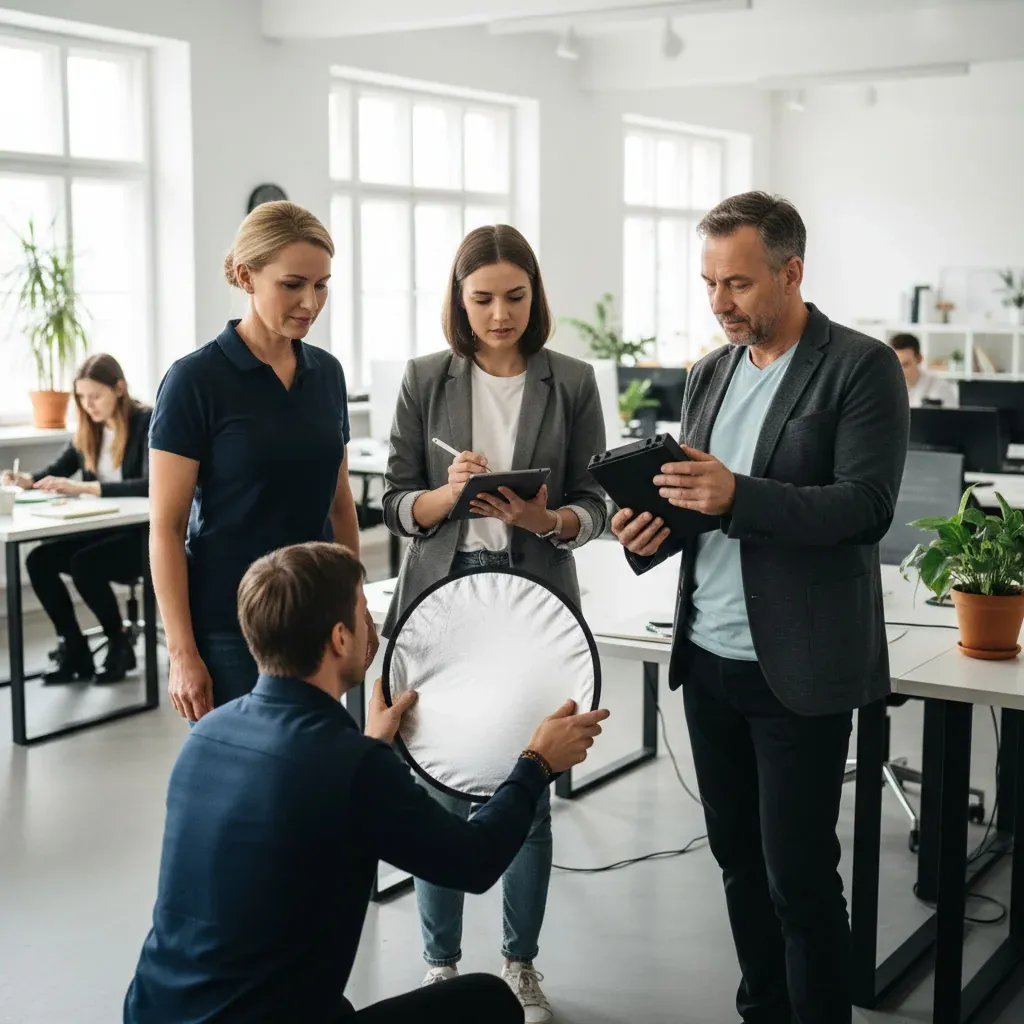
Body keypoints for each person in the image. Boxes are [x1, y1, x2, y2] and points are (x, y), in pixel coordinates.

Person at [611, 192, 909, 1024]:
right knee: (738, 862)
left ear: (792, 272)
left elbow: (866, 508)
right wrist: (651, 530)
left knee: (801, 880)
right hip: (707, 656)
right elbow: (696, 505)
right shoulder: (709, 371)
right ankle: (763, 1011)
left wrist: (738, 493)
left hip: (798, 667)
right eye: (709, 283)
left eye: (737, 284)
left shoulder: (859, 366)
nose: (719, 303)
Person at [123, 541, 610, 1024]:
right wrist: (535, 763)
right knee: (488, 1000)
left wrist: (374, 741)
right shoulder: (351, 765)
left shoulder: (208, 734)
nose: (373, 628)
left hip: (152, 1011)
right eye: (363, 615)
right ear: (339, 639)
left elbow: (314, 794)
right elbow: (475, 862)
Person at [381, 224, 608, 1021]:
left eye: (515, 297)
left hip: (534, 605)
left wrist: (551, 520)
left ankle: (520, 963)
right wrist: (446, 496)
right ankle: (441, 968)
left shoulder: (572, 380)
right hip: (442, 606)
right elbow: (396, 503)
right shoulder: (423, 379)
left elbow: (598, 501)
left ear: (535, 296)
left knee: (529, 791)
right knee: (439, 792)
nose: (500, 314)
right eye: (482, 299)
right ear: (459, 298)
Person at [147, 200, 375, 722]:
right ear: (247, 277)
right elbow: (166, 528)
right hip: (230, 629)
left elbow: (340, 503)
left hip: (318, 621)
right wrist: (182, 653)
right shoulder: (194, 381)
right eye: (293, 284)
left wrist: (355, 605)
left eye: (321, 285)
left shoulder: (328, 374)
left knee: (315, 779)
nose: (310, 302)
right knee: (247, 790)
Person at [2, 354, 150, 684]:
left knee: (85, 564)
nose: (88, 405)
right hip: (102, 531)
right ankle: (75, 647)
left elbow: (150, 483)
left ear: (120, 389)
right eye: (81, 398)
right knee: (39, 559)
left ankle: (118, 640)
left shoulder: (146, 422)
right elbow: (55, 472)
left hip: (139, 537)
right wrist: (26, 480)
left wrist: (86, 487)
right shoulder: (90, 430)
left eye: (95, 396)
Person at [889, 332, 959, 407]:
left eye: (905, 365)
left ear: (919, 359)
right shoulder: (884, 389)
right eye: (895, 365)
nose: (899, 371)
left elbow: (953, 418)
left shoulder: (940, 388)